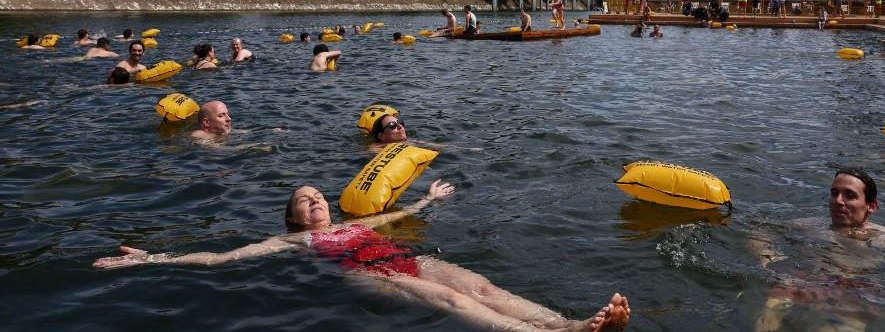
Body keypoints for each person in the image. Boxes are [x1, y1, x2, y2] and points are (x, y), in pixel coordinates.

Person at [92, 182, 630, 332]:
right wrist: (150, 259)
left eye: (318, 194)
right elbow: (218, 260)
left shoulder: (355, 222)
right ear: (294, 218)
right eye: (305, 200)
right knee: (446, 299)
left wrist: (428, 200)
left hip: (404, 258)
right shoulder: (291, 242)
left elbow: (395, 217)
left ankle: (571, 325)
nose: (317, 200)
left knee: (481, 286)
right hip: (365, 273)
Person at [751, 169, 885, 331]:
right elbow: (761, 230)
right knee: (766, 319)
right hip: (802, 279)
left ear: (871, 206)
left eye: (849, 195)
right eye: (834, 193)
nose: (838, 200)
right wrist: (767, 255)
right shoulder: (809, 225)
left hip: (856, 291)